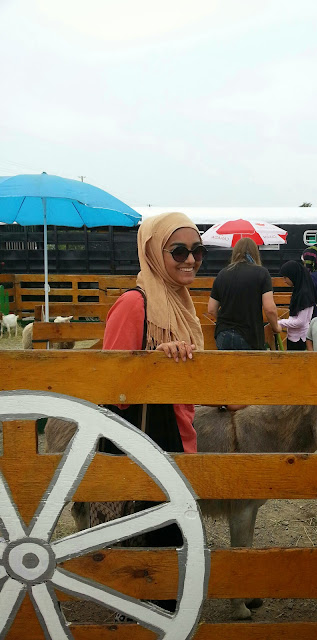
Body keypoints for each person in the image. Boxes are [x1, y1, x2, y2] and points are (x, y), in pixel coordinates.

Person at [96, 211, 207, 616]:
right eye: (178, 251)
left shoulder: (181, 303)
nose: (190, 260)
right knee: (156, 545)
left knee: (173, 543)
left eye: (197, 251)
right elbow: (110, 390)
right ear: (153, 252)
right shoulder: (133, 304)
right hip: (145, 446)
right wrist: (153, 361)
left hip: (177, 434)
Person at [208, 237, 279, 350]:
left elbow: (211, 309)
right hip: (250, 335)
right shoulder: (262, 273)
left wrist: (225, 323)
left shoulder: (222, 274)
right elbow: (270, 309)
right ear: (255, 252)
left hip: (223, 334)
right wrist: (276, 327)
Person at [277, 260, 316, 350]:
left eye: (285, 277)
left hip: (299, 339)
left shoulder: (304, 294)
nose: (284, 281)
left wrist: (280, 323)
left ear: (293, 276)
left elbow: (300, 322)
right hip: (294, 336)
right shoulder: (299, 291)